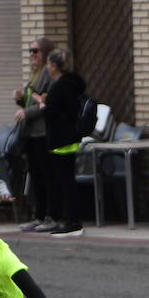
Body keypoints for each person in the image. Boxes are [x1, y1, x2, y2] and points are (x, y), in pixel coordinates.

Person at [35, 48, 87, 237]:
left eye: (49, 64)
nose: (47, 67)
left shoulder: (59, 86)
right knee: (68, 179)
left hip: (60, 139)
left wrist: (42, 105)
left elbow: (52, 112)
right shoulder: (74, 83)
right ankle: (72, 219)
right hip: (71, 137)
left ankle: (72, 221)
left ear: (54, 66)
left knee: (65, 181)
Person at [15, 37, 55, 232]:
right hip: (31, 132)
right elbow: (32, 102)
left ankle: (49, 214)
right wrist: (21, 100)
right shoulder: (35, 74)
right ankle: (38, 215)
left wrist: (27, 112)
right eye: (30, 51)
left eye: (35, 51)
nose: (32, 55)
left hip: (42, 131)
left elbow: (45, 105)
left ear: (45, 53)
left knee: (46, 175)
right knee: (36, 175)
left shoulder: (47, 73)